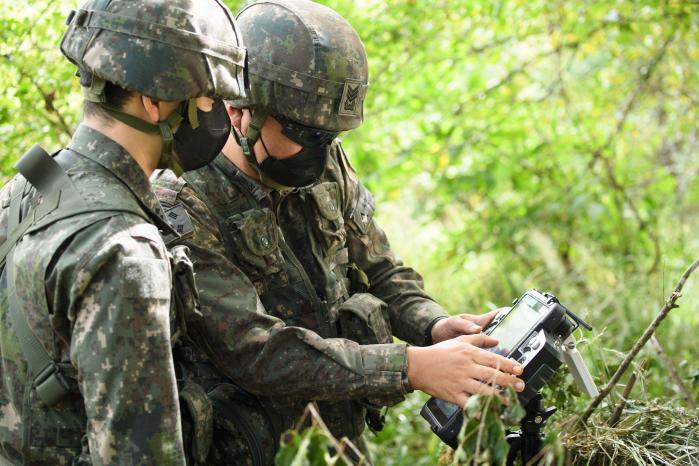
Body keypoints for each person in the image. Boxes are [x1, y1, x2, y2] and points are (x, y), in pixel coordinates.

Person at [152, 0, 524, 462]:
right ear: (239, 113)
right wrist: (409, 366)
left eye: (331, 136)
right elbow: (255, 352)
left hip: (340, 445)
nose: (322, 152)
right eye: (306, 134)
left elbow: (382, 270)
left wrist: (434, 326)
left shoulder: (324, 166)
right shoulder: (183, 205)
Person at [0, 0, 246, 463]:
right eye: (209, 98)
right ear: (154, 100)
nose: (218, 117)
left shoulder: (29, 185)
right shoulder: (124, 251)